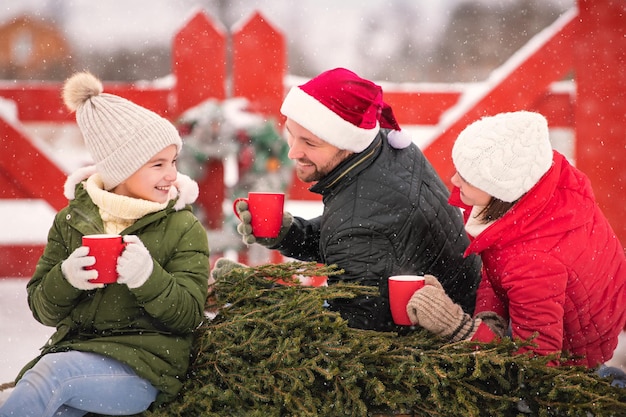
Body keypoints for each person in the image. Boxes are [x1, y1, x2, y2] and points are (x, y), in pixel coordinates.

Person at [0, 72, 210, 416]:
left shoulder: (183, 227)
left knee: (51, 376)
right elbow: (42, 308)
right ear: (121, 171)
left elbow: (188, 316)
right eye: (158, 165)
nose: (171, 175)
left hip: (144, 370)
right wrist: (67, 278)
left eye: (173, 162)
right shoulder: (72, 221)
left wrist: (148, 277)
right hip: (76, 359)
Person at [216, 67, 481, 332]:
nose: (293, 152)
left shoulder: (363, 221)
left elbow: (347, 331)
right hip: (462, 300)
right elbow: (357, 235)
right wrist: (290, 234)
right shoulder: (385, 148)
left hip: (436, 349)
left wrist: (254, 293)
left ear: (345, 141)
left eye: (310, 142)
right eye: (291, 133)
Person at [405, 111, 626, 370]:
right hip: (561, 317)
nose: (454, 180)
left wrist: (457, 326)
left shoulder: (535, 261)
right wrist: (490, 319)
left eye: (466, 177)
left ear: (499, 189)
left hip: (569, 359)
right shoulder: (533, 193)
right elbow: (497, 259)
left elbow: (534, 367)